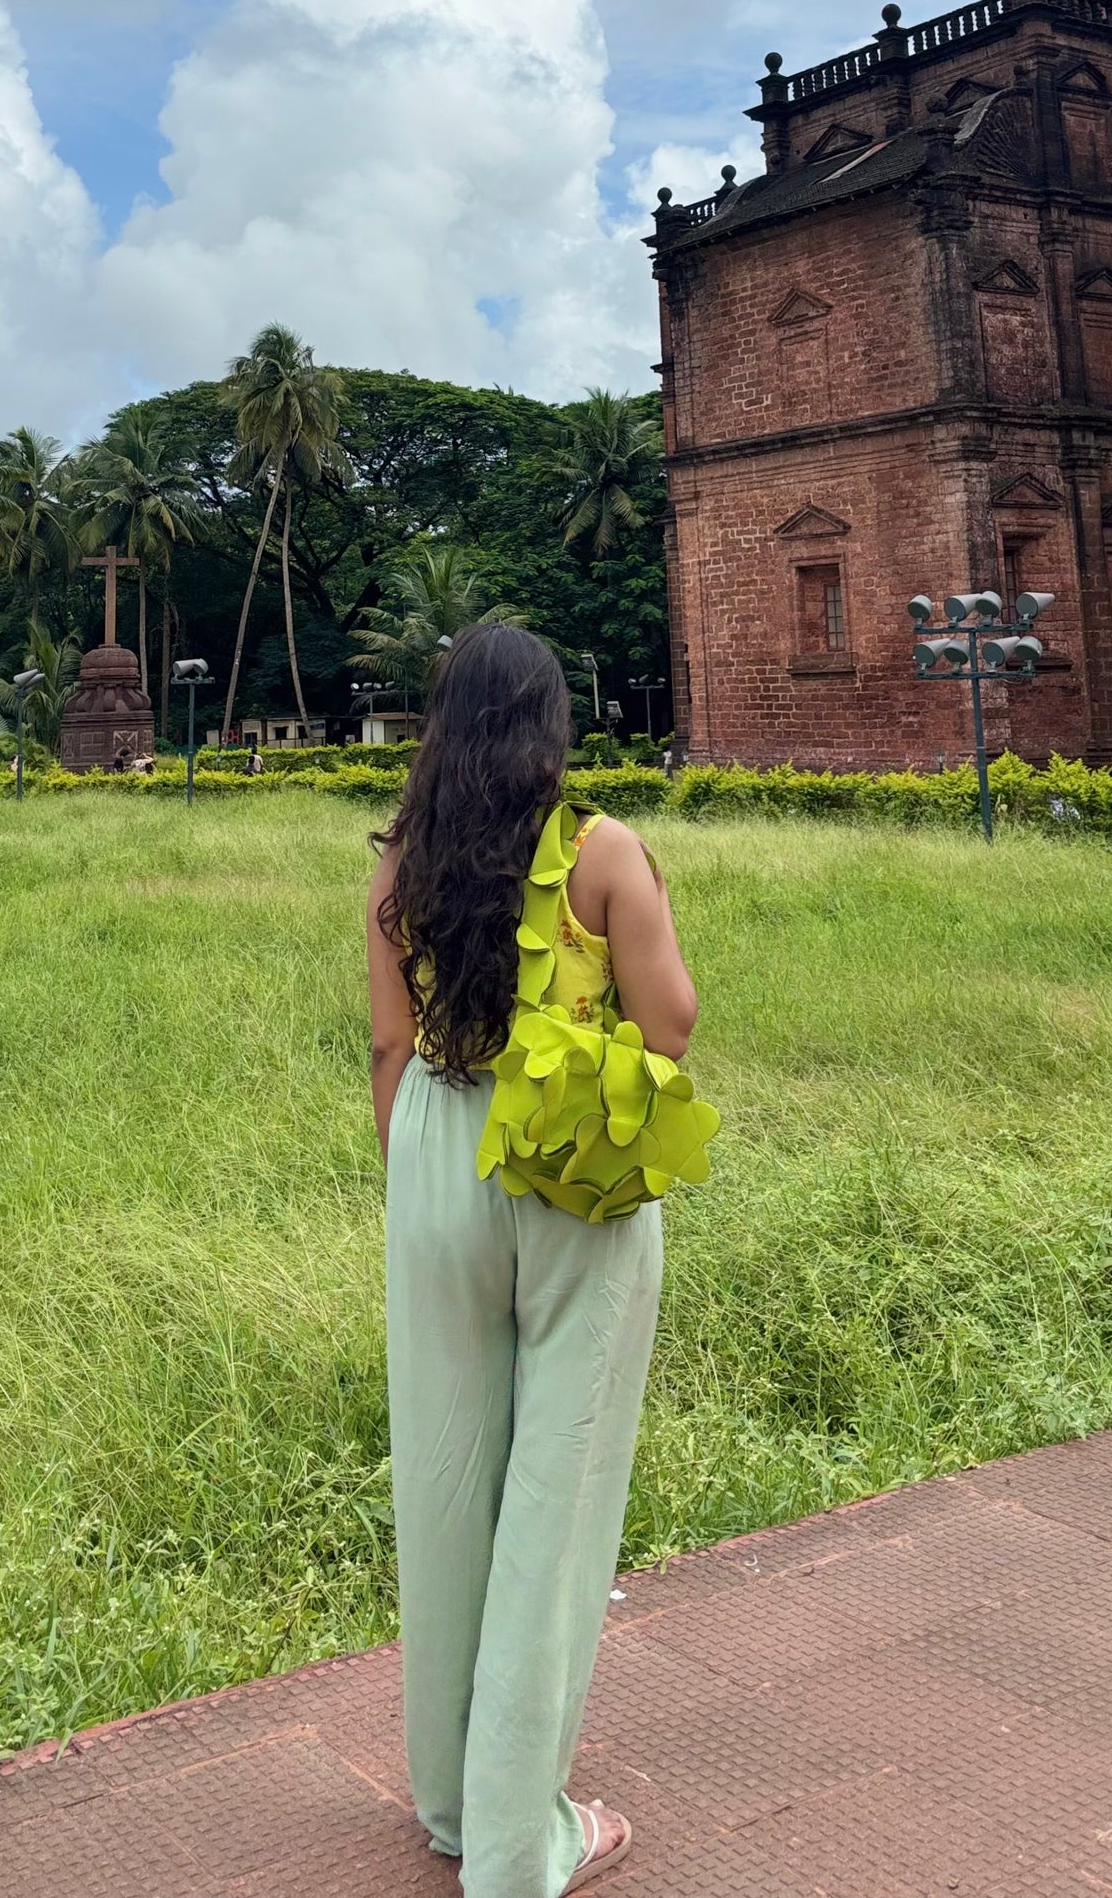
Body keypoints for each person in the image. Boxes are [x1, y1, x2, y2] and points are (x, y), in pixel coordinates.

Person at [367, 624, 700, 1897]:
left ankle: (454, 1802)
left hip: (434, 1154)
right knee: (555, 1492)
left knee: (447, 1481)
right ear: (550, 727)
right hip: (565, 1171)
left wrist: (415, 1186)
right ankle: (518, 1847)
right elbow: (670, 1022)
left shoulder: (401, 860)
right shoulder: (599, 850)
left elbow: (388, 1045)